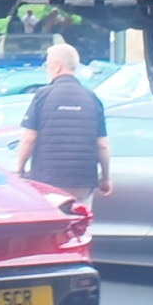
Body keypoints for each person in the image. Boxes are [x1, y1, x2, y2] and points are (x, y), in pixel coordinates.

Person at [13, 43, 111, 207]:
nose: (47, 69)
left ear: (57, 66)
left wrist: (19, 170)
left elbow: (29, 138)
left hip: (49, 180)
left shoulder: (43, 95)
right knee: (81, 226)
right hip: (83, 181)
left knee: (51, 228)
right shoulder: (91, 98)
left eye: (47, 64)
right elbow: (102, 145)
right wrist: (106, 177)